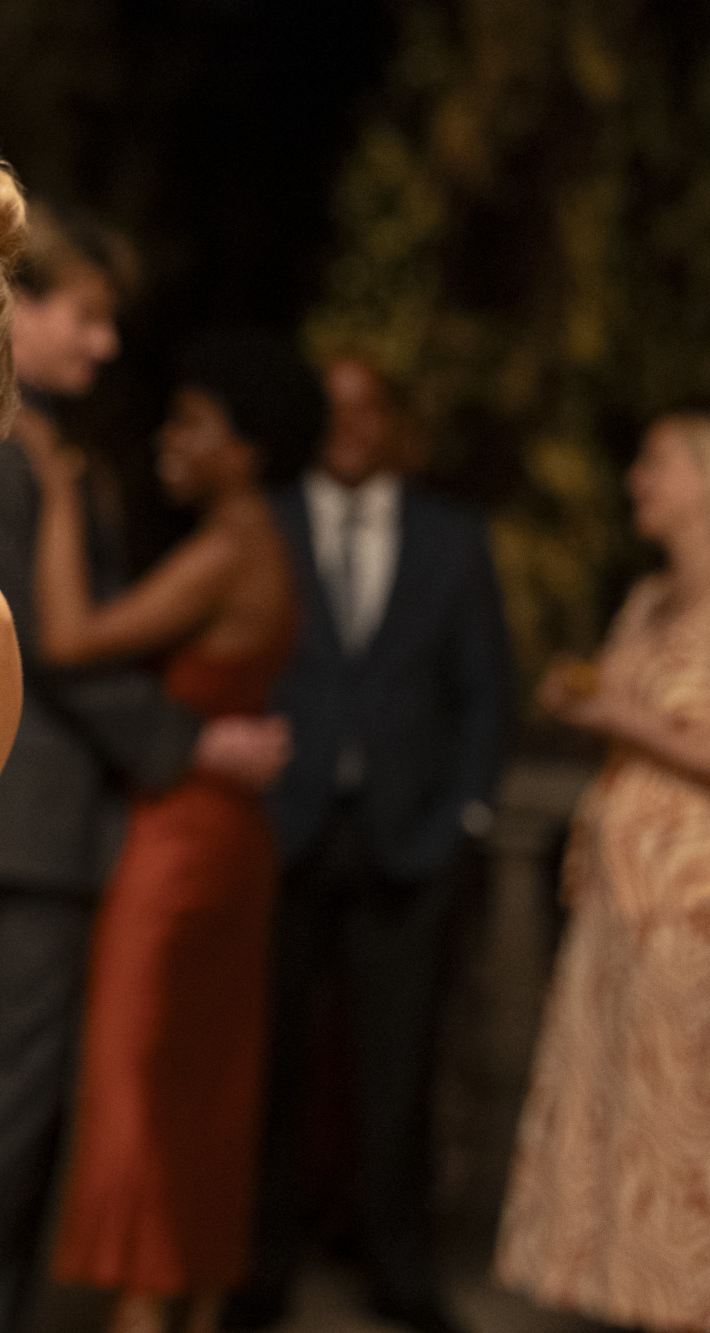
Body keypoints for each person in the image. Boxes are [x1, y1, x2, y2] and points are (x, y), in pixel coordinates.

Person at [0, 213, 290, 1333]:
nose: (105, 343)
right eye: (85, 316)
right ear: (17, 309)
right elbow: (38, 642)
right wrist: (190, 739)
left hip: (60, 814)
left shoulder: (39, 442)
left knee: (31, 1104)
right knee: (11, 1100)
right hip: (38, 815)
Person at [229, 355, 510, 1333]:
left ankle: (401, 1271)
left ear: (393, 423)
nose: (350, 426)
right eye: (334, 409)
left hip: (409, 845)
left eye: (368, 409)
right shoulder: (257, 522)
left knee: (400, 1071)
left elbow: (485, 691)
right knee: (266, 1066)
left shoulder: (453, 537)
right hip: (279, 836)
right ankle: (258, 1270)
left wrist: (462, 818)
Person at [36, 330, 308, 1333]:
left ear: (247, 447)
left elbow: (70, 638)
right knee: (200, 1099)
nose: (170, 438)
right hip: (223, 840)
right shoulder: (264, 542)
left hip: (181, 852)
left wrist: (58, 496)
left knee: (139, 1092)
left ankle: (142, 1305)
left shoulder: (227, 549)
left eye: (194, 423)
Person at [495, 412, 710, 1333]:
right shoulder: (648, 598)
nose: (636, 479)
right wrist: (582, 696)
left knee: (685, 1107)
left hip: (694, 899)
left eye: (656, 462)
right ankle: (631, 1297)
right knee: (616, 1098)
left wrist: (624, 715)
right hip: (616, 889)